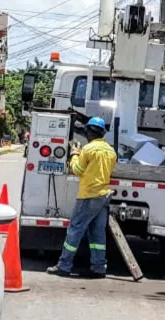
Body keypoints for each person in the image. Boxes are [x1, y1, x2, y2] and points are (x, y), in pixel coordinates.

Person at [47, 117, 117, 278]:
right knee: (97, 233)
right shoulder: (111, 151)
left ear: (90, 132)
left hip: (88, 195)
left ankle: (64, 265)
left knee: (75, 230)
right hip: (103, 195)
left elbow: (78, 170)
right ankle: (99, 267)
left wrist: (74, 154)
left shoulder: (88, 149)